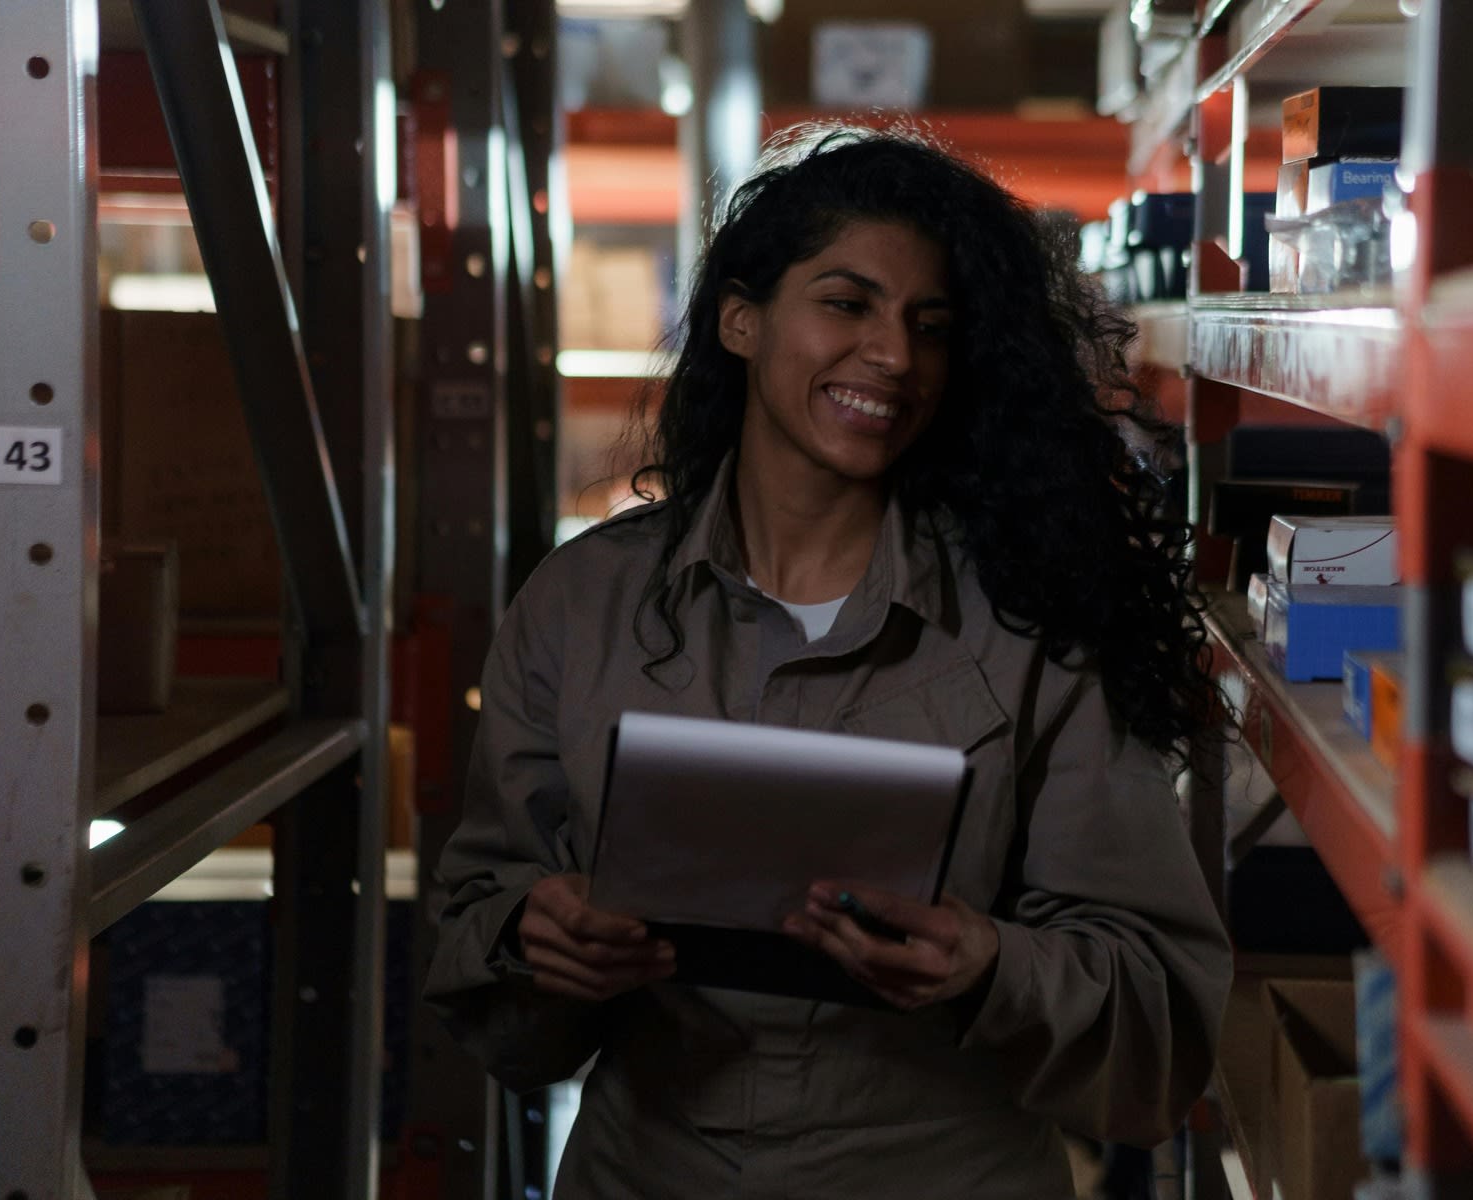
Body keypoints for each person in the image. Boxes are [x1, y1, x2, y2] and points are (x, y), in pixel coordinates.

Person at [423, 124, 1232, 1199]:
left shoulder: (1033, 624)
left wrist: (990, 966)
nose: (894, 356)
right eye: (847, 304)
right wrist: (537, 942)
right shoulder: (583, 605)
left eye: (929, 327)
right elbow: (477, 946)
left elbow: (1158, 1021)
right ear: (742, 320)